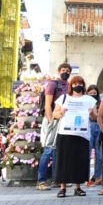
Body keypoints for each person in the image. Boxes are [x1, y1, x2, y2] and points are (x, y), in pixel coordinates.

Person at [52, 75, 97, 197]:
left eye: (80, 84)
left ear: (84, 85)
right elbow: (54, 114)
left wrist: (92, 113)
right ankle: (62, 188)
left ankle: (78, 187)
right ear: (71, 86)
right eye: (75, 84)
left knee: (79, 160)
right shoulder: (64, 98)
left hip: (82, 134)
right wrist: (61, 112)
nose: (78, 86)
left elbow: (95, 117)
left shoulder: (89, 99)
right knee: (64, 160)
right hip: (65, 133)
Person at [37, 62, 71, 190]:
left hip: (63, 122)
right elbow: (47, 104)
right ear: (58, 71)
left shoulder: (68, 86)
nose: (65, 72)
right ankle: (41, 181)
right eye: (63, 70)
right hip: (52, 120)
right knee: (48, 150)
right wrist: (51, 120)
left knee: (58, 151)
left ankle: (56, 180)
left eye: (68, 70)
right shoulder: (52, 84)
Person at [86, 85, 102, 187]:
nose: (92, 95)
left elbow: (101, 116)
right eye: (90, 93)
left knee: (99, 154)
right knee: (86, 154)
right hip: (89, 126)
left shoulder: (101, 103)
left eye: (94, 93)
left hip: (99, 127)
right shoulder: (84, 102)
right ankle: (85, 178)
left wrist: (96, 113)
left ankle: (97, 177)